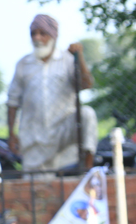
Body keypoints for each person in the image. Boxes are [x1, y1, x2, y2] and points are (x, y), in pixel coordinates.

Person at [6, 14, 97, 172]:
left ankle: (88, 168)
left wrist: (79, 57)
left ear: (53, 36)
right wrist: (11, 134)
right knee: (37, 185)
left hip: (63, 131)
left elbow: (86, 84)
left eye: (43, 33)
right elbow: (12, 102)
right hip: (34, 136)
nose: (37, 38)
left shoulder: (67, 59)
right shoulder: (23, 64)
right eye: (33, 33)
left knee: (87, 114)